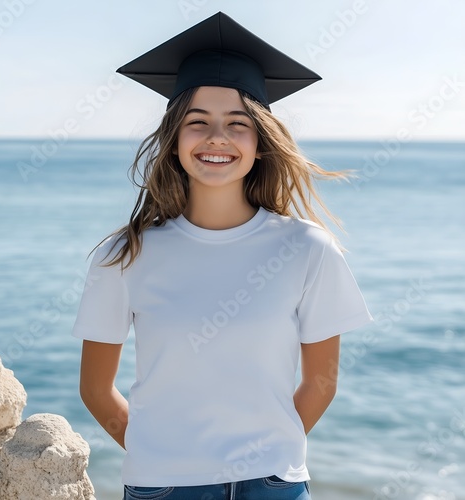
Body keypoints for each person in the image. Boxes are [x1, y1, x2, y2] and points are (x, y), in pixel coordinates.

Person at [72, 12, 372, 500]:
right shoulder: (123, 256)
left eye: (238, 124)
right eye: (198, 123)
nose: (217, 137)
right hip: (162, 486)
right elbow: (95, 389)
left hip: (275, 484)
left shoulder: (307, 248)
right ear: (173, 141)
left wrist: (273, 455)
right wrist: (161, 455)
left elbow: (322, 382)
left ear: (260, 142)